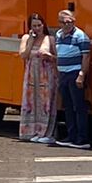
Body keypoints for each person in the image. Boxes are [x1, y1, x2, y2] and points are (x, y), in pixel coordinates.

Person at [53, 8, 92, 149]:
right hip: (63, 74)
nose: (67, 24)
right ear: (59, 23)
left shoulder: (80, 36)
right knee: (68, 107)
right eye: (64, 22)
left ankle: (82, 138)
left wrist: (81, 74)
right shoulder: (58, 35)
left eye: (70, 22)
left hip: (75, 74)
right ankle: (71, 136)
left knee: (79, 107)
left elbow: (86, 57)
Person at [17, 13, 58, 144]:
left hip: (46, 74)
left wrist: (49, 56)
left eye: (39, 25)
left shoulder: (50, 39)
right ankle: (30, 131)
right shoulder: (26, 38)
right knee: (31, 102)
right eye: (34, 26)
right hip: (31, 74)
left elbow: (57, 58)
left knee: (45, 103)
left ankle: (46, 132)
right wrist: (30, 40)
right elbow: (23, 55)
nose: (37, 28)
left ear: (43, 25)